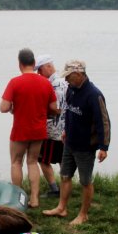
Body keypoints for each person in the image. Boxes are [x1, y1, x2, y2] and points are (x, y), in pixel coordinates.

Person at [42, 60, 111, 226]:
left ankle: (83, 214)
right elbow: (69, 113)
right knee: (65, 176)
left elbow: (104, 122)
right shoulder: (71, 90)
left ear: (79, 75)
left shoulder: (94, 95)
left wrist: (104, 147)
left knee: (85, 181)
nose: (66, 80)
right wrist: (65, 130)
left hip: (86, 146)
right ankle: (61, 208)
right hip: (69, 142)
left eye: (69, 77)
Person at [0, 48, 59, 208]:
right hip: (39, 130)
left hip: (20, 129)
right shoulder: (46, 83)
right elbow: (54, 107)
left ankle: (18, 199)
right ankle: (34, 199)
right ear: (34, 64)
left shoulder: (15, 82)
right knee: (32, 162)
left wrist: (13, 106)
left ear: (20, 64)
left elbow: (3, 107)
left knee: (16, 162)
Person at [34, 54, 67, 198]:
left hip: (53, 131)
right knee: (63, 160)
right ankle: (66, 187)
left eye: (40, 70)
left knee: (43, 160)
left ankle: (55, 190)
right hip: (65, 130)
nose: (38, 74)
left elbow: (57, 109)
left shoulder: (55, 85)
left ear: (48, 67)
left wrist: (40, 110)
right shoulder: (65, 81)